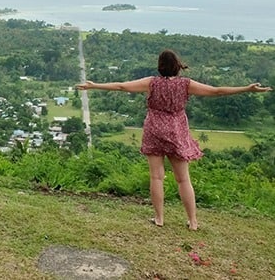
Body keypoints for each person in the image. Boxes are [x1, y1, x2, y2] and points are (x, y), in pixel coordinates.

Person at [76, 49, 271, 230]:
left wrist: (94, 86)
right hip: (177, 130)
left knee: (156, 177)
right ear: (178, 66)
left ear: (159, 66)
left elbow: (121, 86)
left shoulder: (152, 82)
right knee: (183, 178)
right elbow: (216, 91)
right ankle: (193, 221)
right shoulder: (186, 84)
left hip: (154, 129)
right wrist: (247, 89)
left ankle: (159, 218)